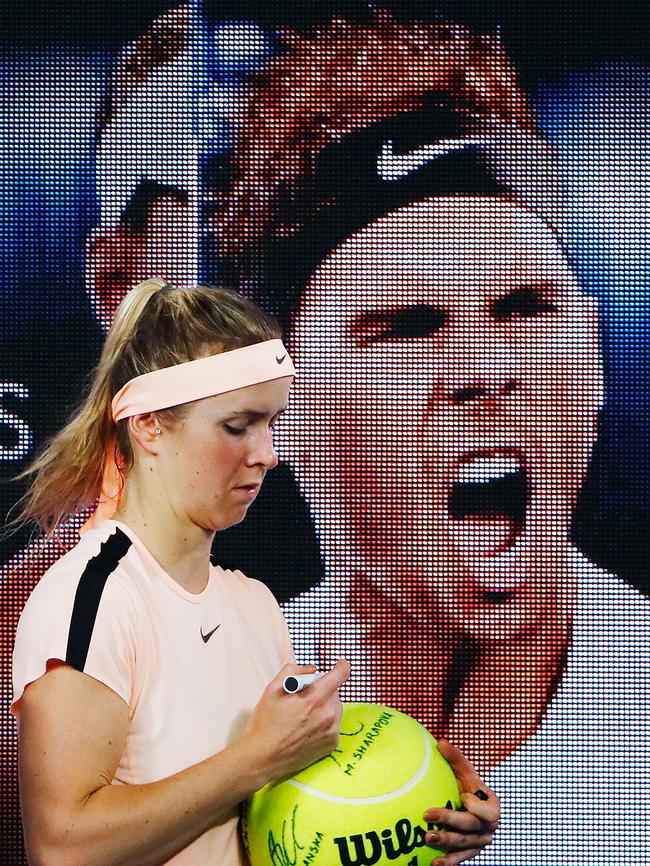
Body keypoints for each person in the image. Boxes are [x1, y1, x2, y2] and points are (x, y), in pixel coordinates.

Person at [215, 15, 650, 863]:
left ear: (595, 365)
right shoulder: (206, 714)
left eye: (526, 309)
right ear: (280, 407)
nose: (487, 370)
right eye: (409, 326)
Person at [11, 278, 499, 866]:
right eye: (238, 425)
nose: (267, 452)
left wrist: (418, 815)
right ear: (150, 428)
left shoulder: (254, 603)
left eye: (274, 422)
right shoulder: (93, 598)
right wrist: (261, 757)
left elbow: (268, 825)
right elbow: (62, 848)